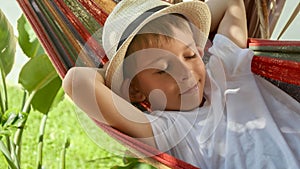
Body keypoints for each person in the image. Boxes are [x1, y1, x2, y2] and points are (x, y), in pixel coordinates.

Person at [62, 0, 300, 168]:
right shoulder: (169, 131)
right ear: (135, 90)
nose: (185, 73)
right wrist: (121, 69)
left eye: (189, 56)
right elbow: (76, 81)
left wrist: (186, 29)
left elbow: (230, 3)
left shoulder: (225, 71)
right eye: (163, 70)